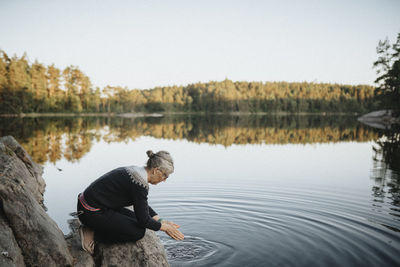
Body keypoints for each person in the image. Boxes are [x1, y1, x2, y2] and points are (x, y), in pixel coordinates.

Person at [77, 150, 184, 254]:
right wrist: (165, 228)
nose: (165, 179)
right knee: (137, 232)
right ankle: (93, 233)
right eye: (165, 175)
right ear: (156, 170)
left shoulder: (136, 172)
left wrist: (160, 220)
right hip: (90, 212)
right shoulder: (139, 183)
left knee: (135, 220)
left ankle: (93, 226)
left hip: (95, 206)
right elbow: (144, 221)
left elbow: (141, 203)